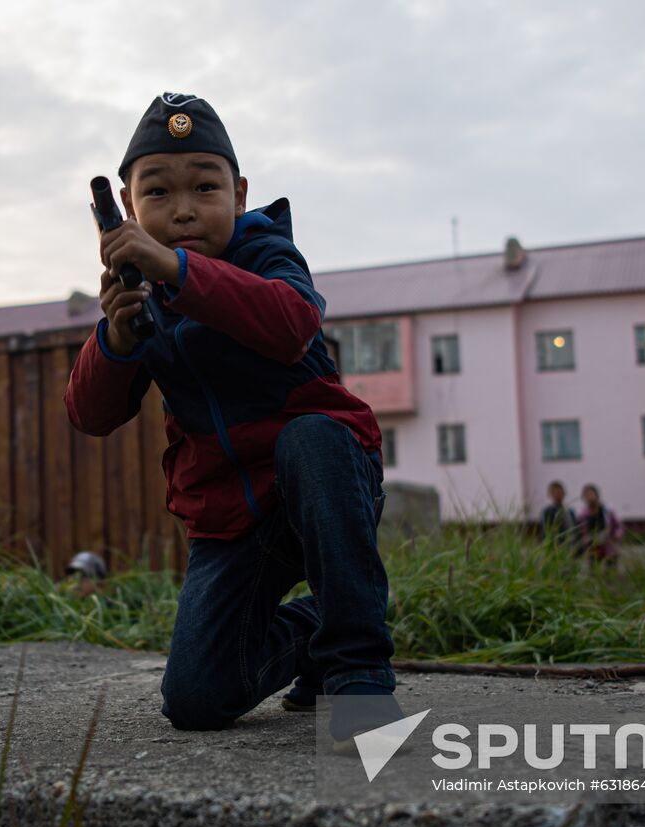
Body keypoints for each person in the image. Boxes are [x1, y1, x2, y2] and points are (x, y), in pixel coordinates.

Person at [64, 93, 398, 745]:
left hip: (328, 486)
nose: (184, 208)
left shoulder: (268, 253)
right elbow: (89, 414)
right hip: (231, 520)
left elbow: (290, 323)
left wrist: (178, 269)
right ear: (129, 210)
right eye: (158, 192)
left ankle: (359, 669)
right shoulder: (141, 293)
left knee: (313, 435)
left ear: (239, 194)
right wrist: (117, 339)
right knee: (196, 697)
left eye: (205, 187)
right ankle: (311, 637)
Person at [576, 483, 623, 566]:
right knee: (594, 572)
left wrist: (616, 536)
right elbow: (580, 533)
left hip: (608, 546)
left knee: (611, 573)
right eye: (587, 495)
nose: (589, 497)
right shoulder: (582, 515)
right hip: (592, 548)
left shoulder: (607, 511)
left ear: (597, 495)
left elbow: (618, 526)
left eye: (591, 494)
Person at [539, 480, 578, 550]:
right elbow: (546, 531)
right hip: (557, 548)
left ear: (564, 493)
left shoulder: (570, 511)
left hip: (572, 546)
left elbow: (576, 529)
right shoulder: (547, 511)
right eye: (554, 492)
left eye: (559, 491)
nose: (557, 494)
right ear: (549, 495)